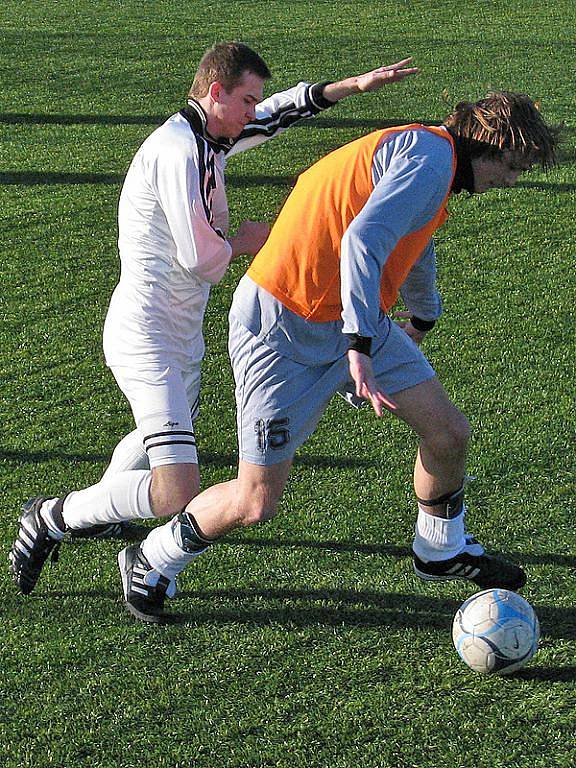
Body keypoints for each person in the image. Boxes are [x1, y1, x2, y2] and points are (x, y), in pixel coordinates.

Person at [100, 89, 555, 623]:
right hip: (281, 328)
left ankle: (440, 547)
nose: (512, 181)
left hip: (348, 319)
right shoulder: (431, 161)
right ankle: (151, 558)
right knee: (255, 501)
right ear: (492, 147)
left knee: (448, 432)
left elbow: (411, 237)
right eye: (514, 166)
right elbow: (363, 242)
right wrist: (361, 345)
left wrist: (422, 316)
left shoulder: (432, 159)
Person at [9, 42, 418, 608]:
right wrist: (266, 238)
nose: (253, 112)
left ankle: (99, 513)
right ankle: (52, 516)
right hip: (146, 334)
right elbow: (200, 257)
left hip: (181, 332)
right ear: (215, 91)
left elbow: (276, 114)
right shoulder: (181, 152)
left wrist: (350, 86)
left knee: (156, 443)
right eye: (245, 99)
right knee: (177, 488)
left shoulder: (208, 134)